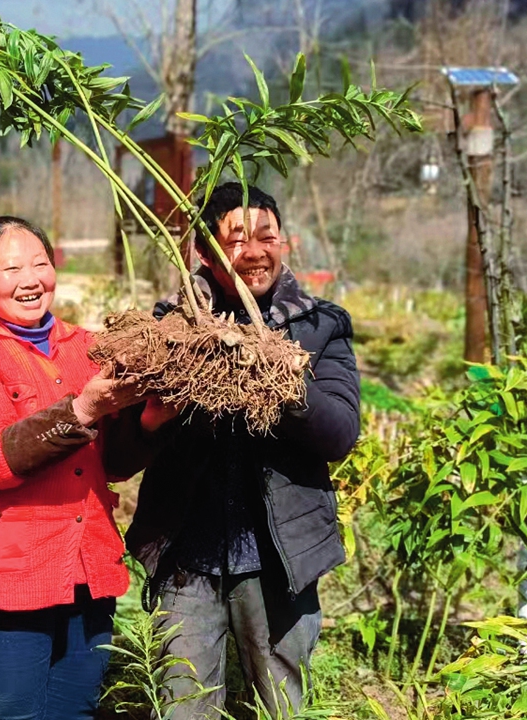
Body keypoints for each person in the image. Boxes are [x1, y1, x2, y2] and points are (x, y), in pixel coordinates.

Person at [122, 183, 361, 718]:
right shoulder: (172, 328)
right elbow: (129, 442)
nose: (255, 251)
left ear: (285, 243)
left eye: (267, 236)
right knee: (183, 703)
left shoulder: (319, 326)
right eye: (235, 239)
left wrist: (282, 377)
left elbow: (341, 433)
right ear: (204, 252)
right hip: (186, 552)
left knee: (280, 703)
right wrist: (152, 418)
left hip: (280, 559)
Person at [0, 215, 160, 720]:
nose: (30, 279)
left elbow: (112, 465)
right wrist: (83, 410)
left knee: (74, 710)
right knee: (15, 713)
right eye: (10, 268)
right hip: (4, 579)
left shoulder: (88, 347)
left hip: (86, 568)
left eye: (40, 264)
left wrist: (150, 423)